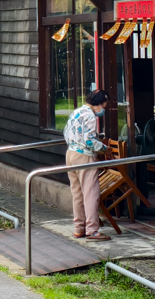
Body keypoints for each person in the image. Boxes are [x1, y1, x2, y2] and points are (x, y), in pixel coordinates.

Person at [63, 89, 110, 240]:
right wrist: (104, 149)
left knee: (77, 194)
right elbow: (89, 140)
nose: (103, 110)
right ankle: (92, 230)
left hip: (70, 154)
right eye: (104, 106)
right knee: (91, 193)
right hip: (85, 157)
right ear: (99, 104)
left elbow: (66, 132)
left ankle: (79, 228)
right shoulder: (90, 116)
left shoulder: (76, 112)